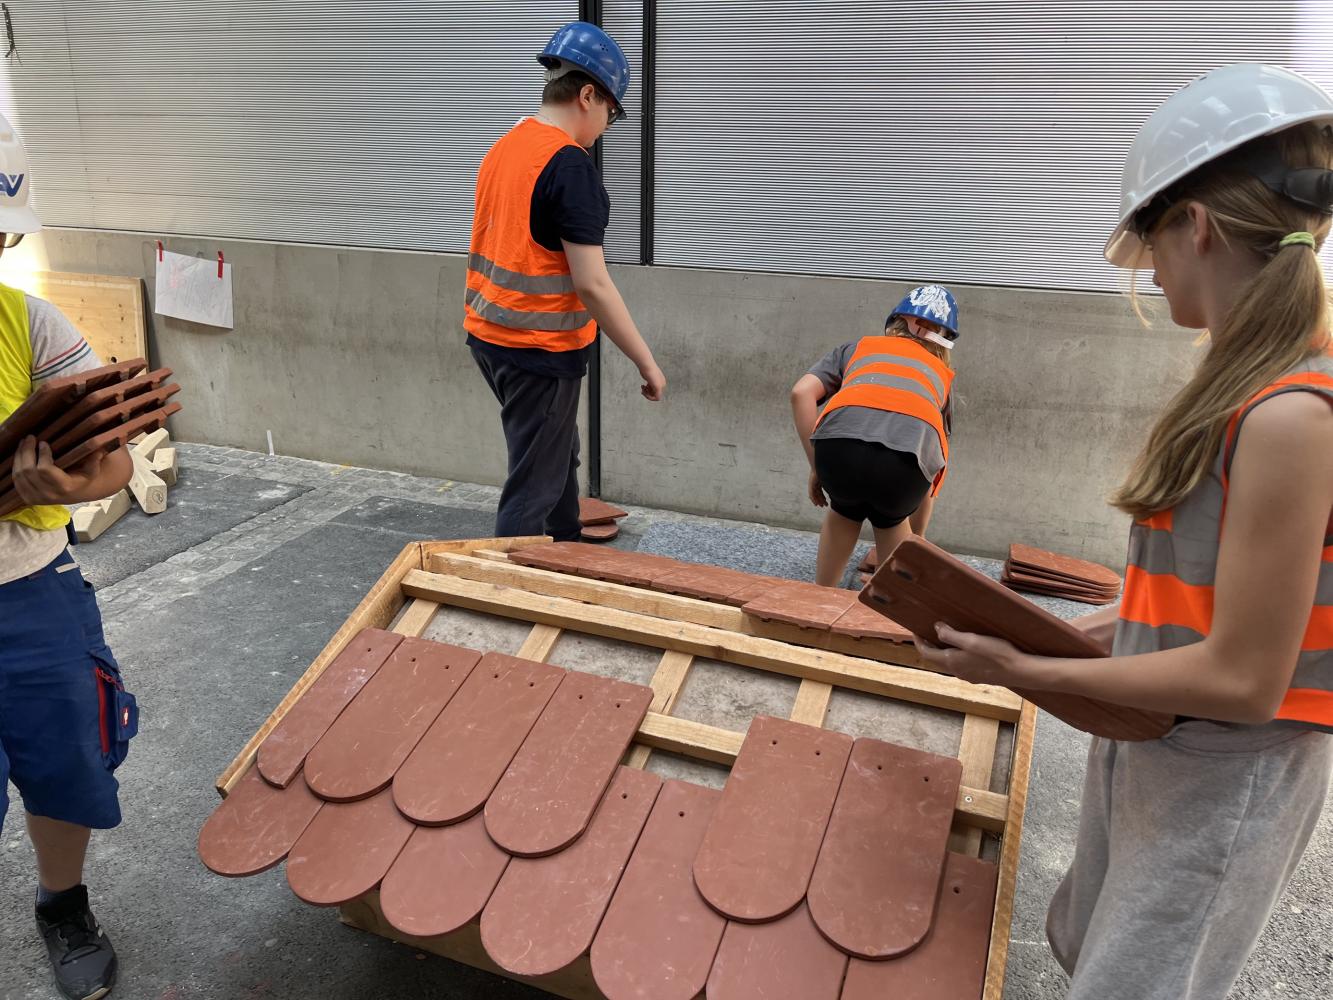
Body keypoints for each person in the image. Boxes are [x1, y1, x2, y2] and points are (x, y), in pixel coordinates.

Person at [916, 65, 1333, 1000]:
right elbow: (1194, 610)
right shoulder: (1244, 385)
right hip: (1166, 742)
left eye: (1149, 241)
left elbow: (1244, 679)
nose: (1148, 269)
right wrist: (1042, 632)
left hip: (1226, 773)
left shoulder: (1289, 414)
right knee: (1087, 944)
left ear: (1196, 226)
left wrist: (1028, 673)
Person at [0, 116, 135, 999]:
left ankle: (64, 904)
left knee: (66, 758)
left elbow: (116, 459)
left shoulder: (26, 320)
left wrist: (69, 483)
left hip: (31, 591)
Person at [465, 21, 666, 541]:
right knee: (532, 484)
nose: (605, 127)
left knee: (557, 450)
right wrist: (646, 361)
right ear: (588, 95)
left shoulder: (506, 146)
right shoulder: (569, 167)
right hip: (539, 349)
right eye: (611, 114)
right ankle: (513, 578)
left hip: (490, 337)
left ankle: (566, 540)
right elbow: (593, 284)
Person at [791, 285, 958, 586]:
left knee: (844, 510)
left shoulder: (858, 348)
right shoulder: (940, 377)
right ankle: (890, 604)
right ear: (944, 342)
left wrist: (817, 468)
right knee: (891, 521)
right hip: (904, 465)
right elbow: (932, 462)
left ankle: (821, 595)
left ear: (894, 322)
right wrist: (916, 538)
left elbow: (801, 393)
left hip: (838, 450)